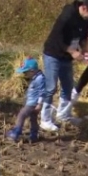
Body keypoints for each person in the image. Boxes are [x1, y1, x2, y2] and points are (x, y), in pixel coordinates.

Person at [40, 0, 88, 131]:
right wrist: (73, 52)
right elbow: (57, 38)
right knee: (51, 87)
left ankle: (63, 115)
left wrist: (83, 50)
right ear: (83, 8)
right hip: (53, 54)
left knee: (67, 87)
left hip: (66, 57)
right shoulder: (67, 15)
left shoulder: (85, 20)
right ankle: (45, 119)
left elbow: (83, 38)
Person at [7, 57, 45, 143]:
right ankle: (34, 135)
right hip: (32, 102)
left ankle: (16, 132)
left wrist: (39, 104)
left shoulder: (40, 79)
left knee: (21, 115)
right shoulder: (35, 78)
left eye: (25, 72)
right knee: (33, 119)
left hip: (32, 103)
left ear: (32, 71)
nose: (24, 74)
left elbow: (42, 92)